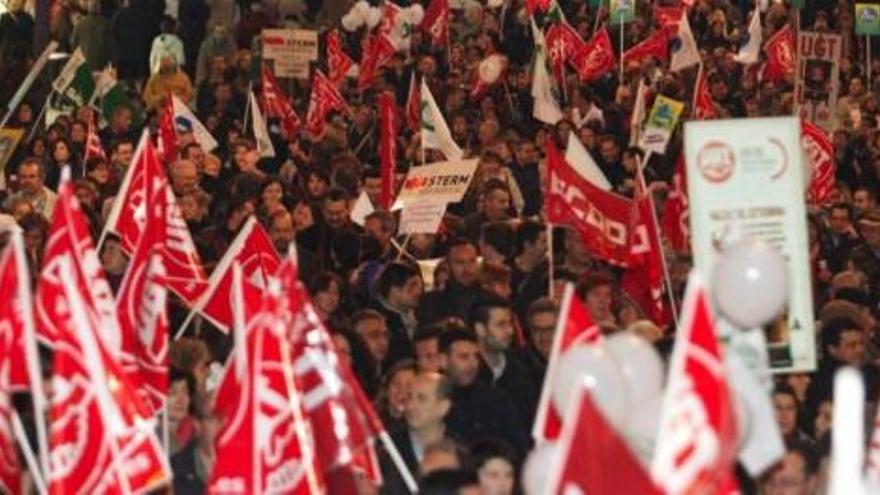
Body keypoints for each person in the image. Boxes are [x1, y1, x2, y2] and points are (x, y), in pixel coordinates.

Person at [439, 328, 529, 456]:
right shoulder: (432, 398)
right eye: (464, 357)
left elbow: (519, 447)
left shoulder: (496, 399)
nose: (472, 364)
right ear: (443, 360)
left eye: (476, 357)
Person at [380, 371, 455, 493]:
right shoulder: (387, 448)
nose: (410, 406)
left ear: (443, 407)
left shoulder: (460, 451)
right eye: (409, 397)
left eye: (422, 399)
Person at [471, 297, 538, 428]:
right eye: (501, 324)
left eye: (510, 324)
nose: (510, 331)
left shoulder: (522, 370)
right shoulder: (468, 374)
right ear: (480, 329)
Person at [417, 238, 492, 326]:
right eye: (460, 262)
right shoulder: (431, 302)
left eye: (472, 261)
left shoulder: (491, 299)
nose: (467, 268)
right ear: (448, 265)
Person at [371, 261, 424, 367]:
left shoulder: (421, 313)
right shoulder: (375, 320)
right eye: (412, 286)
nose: (418, 291)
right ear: (394, 290)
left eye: (419, 285)